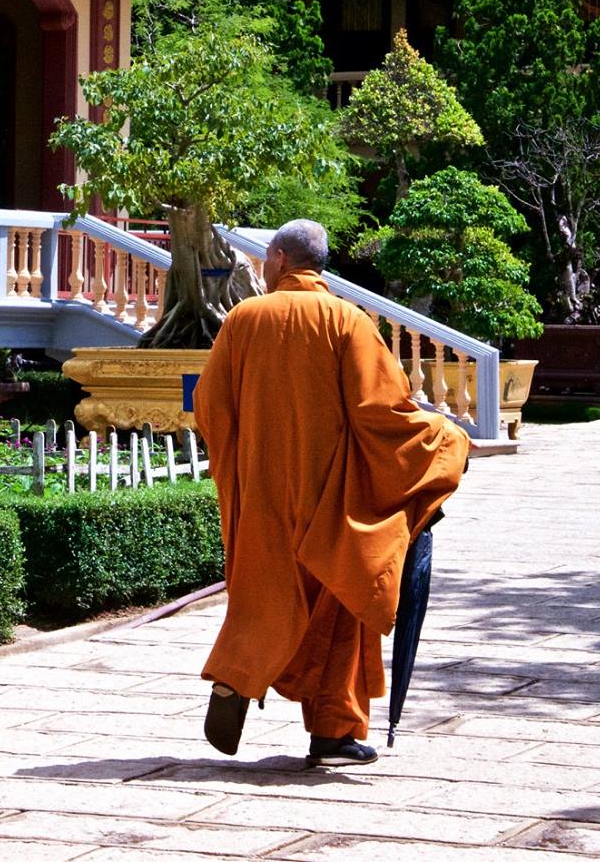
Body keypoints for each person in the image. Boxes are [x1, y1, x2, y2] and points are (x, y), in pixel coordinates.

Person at [195, 218, 469, 767]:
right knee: (341, 602)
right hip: (333, 495)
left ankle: (235, 677)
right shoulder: (348, 321)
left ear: (277, 259)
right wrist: (447, 439)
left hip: (264, 491)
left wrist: (243, 466)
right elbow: (383, 411)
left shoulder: (243, 320)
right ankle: (333, 729)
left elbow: (209, 407)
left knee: (263, 594)